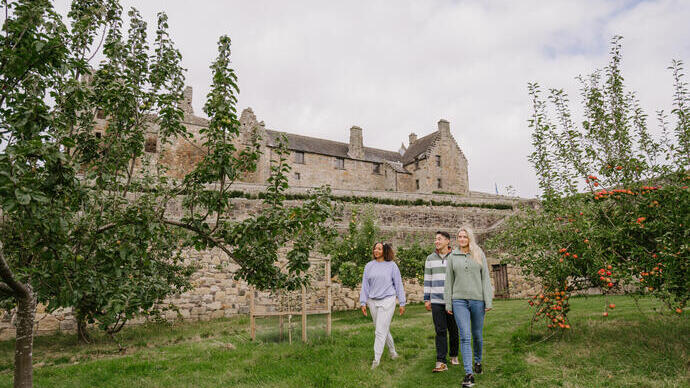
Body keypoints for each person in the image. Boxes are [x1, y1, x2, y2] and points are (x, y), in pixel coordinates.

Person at [444, 226, 493, 387]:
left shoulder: (479, 254)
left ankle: (478, 362)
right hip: (459, 301)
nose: (462, 239)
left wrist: (488, 300)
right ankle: (469, 374)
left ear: (470, 238)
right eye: (459, 237)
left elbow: (485, 278)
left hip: (478, 300)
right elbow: (449, 281)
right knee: (465, 336)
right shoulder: (452, 257)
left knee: (477, 335)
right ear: (457, 239)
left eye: (465, 236)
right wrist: (448, 302)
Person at [359, 242, 406, 369]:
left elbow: (398, 284)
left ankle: (376, 361)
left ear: (385, 251)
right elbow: (365, 285)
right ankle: (393, 353)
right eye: (375, 248)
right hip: (372, 301)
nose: (376, 250)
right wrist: (363, 302)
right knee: (382, 329)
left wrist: (402, 302)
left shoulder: (392, 266)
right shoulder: (369, 266)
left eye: (379, 249)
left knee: (379, 331)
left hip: (388, 300)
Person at [424, 231, 459, 372]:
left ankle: (454, 355)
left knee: (454, 330)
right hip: (436, 300)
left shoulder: (456, 256)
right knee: (440, 330)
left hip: (453, 300)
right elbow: (427, 279)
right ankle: (440, 360)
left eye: (439, 239)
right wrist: (427, 299)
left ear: (447, 241)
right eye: (435, 239)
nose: (436, 241)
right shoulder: (430, 258)